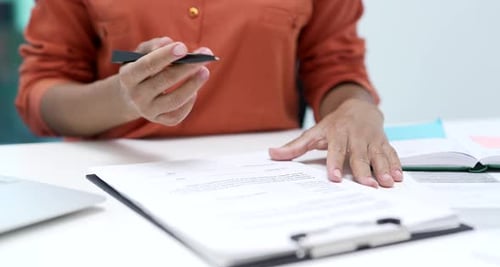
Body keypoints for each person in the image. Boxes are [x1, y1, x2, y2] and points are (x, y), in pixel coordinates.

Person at [16, 0, 402, 187]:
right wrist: (123, 96)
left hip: (266, 186)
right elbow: (41, 96)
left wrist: (356, 106)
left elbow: (336, 66)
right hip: (115, 186)